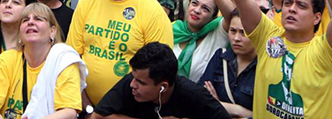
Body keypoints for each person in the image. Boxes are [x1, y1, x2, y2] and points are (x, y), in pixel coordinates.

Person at [67, 0, 174, 105]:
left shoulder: (152, 11)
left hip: (131, 110)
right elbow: (71, 58)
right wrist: (87, 108)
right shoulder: (87, 0)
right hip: (83, 106)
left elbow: (160, 73)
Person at [0, 3, 85, 119]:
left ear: (52, 31)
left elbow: (69, 111)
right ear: (20, 33)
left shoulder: (64, 61)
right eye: (25, 20)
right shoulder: (7, 59)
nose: (31, 22)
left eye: (38, 19)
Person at [90, 42, 229, 119]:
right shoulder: (130, 82)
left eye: (141, 83)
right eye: (134, 78)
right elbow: (97, 116)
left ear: (163, 86)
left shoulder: (193, 94)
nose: (133, 84)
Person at [198, 10, 256, 118]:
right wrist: (241, 111)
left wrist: (220, 106)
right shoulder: (220, 57)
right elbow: (201, 99)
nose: (236, 38)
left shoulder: (264, 66)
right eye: (233, 31)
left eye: (244, 32)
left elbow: (264, 114)